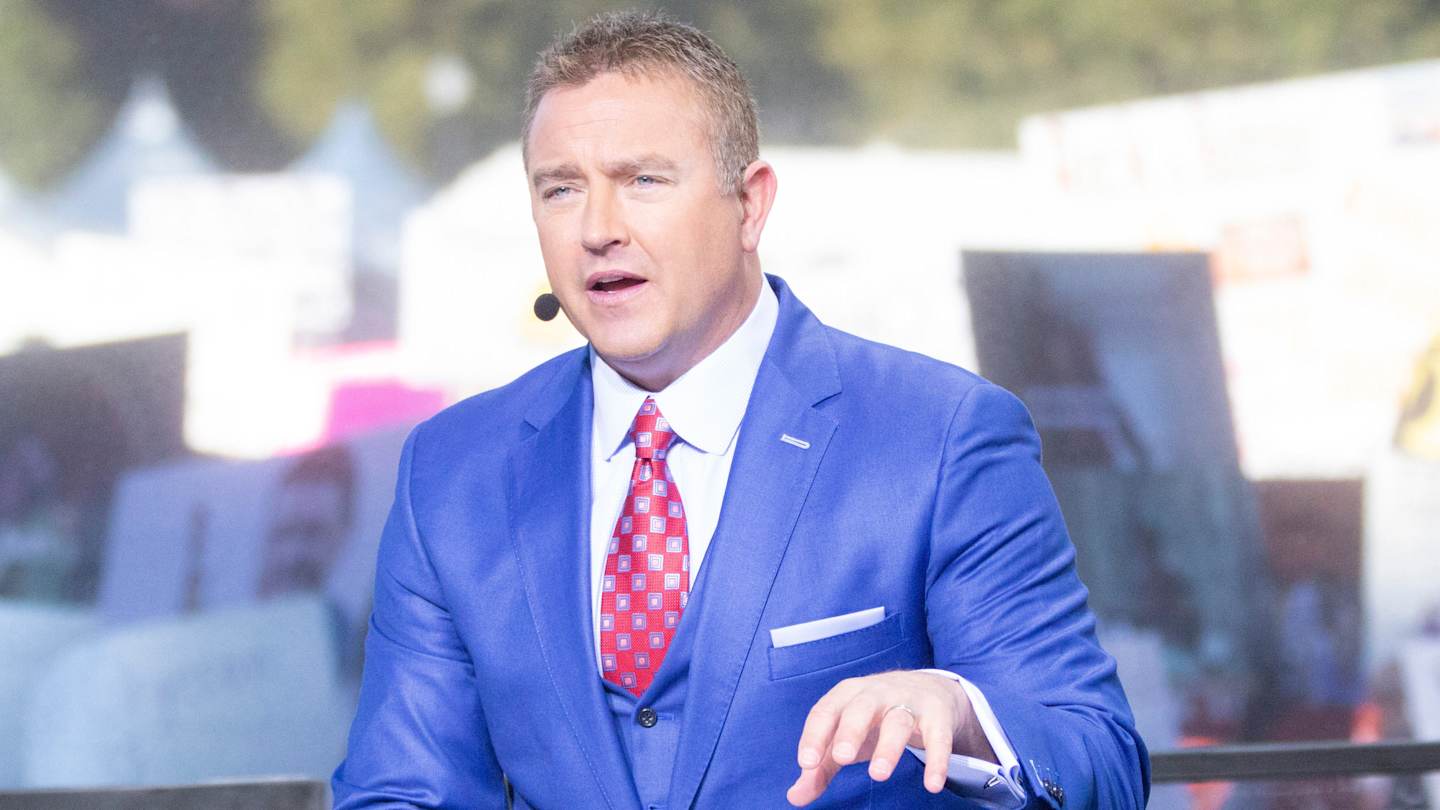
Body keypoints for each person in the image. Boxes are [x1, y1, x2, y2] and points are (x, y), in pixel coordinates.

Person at [334, 11, 1147, 809]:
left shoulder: (940, 435)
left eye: (643, 180)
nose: (597, 229)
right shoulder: (452, 470)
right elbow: (401, 790)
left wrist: (965, 716)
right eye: (561, 189)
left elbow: (1101, 764)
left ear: (750, 205)